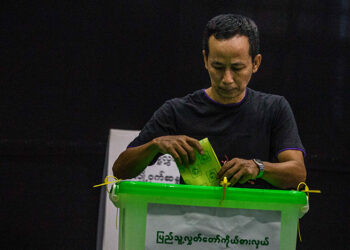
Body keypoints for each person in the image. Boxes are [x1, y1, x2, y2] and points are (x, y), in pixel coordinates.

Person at [113, 14, 306, 189]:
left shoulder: (274, 109)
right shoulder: (177, 111)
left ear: (256, 63)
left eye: (237, 68)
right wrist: (154, 145)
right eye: (218, 67)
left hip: (252, 225)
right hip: (193, 226)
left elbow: (297, 173)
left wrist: (258, 167)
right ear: (205, 60)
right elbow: (121, 170)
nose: (227, 79)